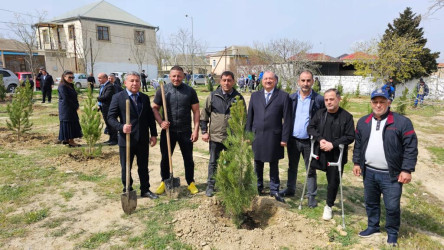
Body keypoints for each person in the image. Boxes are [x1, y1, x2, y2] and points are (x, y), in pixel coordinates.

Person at [353, 89, 418, 247]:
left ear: (389, 102)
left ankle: (392, 233)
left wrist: (406, 169)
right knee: (371, 202)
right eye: (375, 102)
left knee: (392, 206)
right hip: (369, 171)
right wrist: (356, 162)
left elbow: (411, 147)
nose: (378, 105)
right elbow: (358, 145)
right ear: (371, 103)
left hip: (392, 175)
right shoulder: (363, 122)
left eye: (382, 102)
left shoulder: (402, 122)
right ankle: (373, 226)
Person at [107, 71, 158, 199]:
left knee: (143, 166)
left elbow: (150, 118)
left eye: (137, 81)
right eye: (132, 81)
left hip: (142, 139)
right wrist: (121, 127)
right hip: (127, 140)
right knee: (126, 167)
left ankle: (145, 189)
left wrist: (153, 134)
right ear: (125, 83)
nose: (135, 83)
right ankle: (128, 189)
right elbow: (111, 118)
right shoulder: (118, 97)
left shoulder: (144, 98)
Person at [307, 88, 355, 220]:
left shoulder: (347, 117)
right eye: (326, 100)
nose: (329, 102)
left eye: (332, 99)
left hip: (335, 155)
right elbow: (310, 128)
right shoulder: (320, 113)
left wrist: (332, 144)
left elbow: (350, 136)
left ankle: (328, 205)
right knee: (310, 171)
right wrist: (320, 139)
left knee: (333, 181)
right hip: (320, 152)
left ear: (339, 99)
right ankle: (310, 197)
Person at [152, 66, 200, 195]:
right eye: (174, 76)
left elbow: (196, 112)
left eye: (179, 76)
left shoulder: (190, 91)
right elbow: (155, 108)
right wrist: (161, 122)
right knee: (166, 158)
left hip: (185, 131)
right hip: (168, 132)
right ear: (169, 76)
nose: (176, 79)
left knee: (188, 158)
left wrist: (196, 130)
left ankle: (190, 182)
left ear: (183, 76)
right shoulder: (163, 90)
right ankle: (164, 181)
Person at [279, 70, 325, 208]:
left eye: (308, 80)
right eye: (303, 80)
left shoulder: (318, 100)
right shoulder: (291, 98)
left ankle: (311, 196)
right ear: (298, 82)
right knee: (292, 166)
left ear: (312, 82)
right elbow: (286, 119)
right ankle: (290, 189)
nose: (305, 83)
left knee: (310, 169)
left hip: (309, 141)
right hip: (293, 140)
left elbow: (322, 120)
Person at [246, 71, 292, 203]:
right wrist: (248, 134)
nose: (268, 81)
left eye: (270, 79)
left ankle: (274, 189)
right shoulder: (255, 96)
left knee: (273, 163)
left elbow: (287, 119)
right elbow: (250, 117)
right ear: (262, 81)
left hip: (274, 137)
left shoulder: (283, 96)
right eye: (265, 79)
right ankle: (258, 187)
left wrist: (285, 138)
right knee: (257, 162)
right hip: (257, 135)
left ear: (275, 81)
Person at [200, 71, 245, 197]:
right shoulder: (213, 96)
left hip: (231, 137)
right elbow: (204, 115)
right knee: (213, 162)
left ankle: (229, 184)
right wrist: (204, 131)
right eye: (224, 80)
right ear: (220, 81)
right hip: (215, 137)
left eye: (229, 80)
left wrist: (242, 135)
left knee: (231, 163)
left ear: (233, 82)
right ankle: (210, 186)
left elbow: (243, 117)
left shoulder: (238, 98)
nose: (226, 83)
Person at [57, 70, 82, 147]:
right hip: (66, 108)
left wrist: (77, 104)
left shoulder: (70, 85)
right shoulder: (62, 86)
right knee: (69, 123)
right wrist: (75, 106)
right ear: (64, 77)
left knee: (71, 122)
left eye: (72, 77)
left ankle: (66, 140)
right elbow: (66, 98)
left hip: (71, 107)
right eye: (69, 77)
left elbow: (74, 96)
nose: (71, 79)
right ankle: (71, 141)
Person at [97, 73, 117, 145]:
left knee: (111, 124)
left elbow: (106, 97)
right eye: (98, 78)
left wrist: (97, 98)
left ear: (105, 78)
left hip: (109, 108)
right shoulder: (102, 86)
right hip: (104, 108)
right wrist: (99, 105)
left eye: (100, 78)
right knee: (108, 124)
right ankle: (111, 139)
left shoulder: (110, 86)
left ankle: (114, 140)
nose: (98, 80)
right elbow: (101, 95)